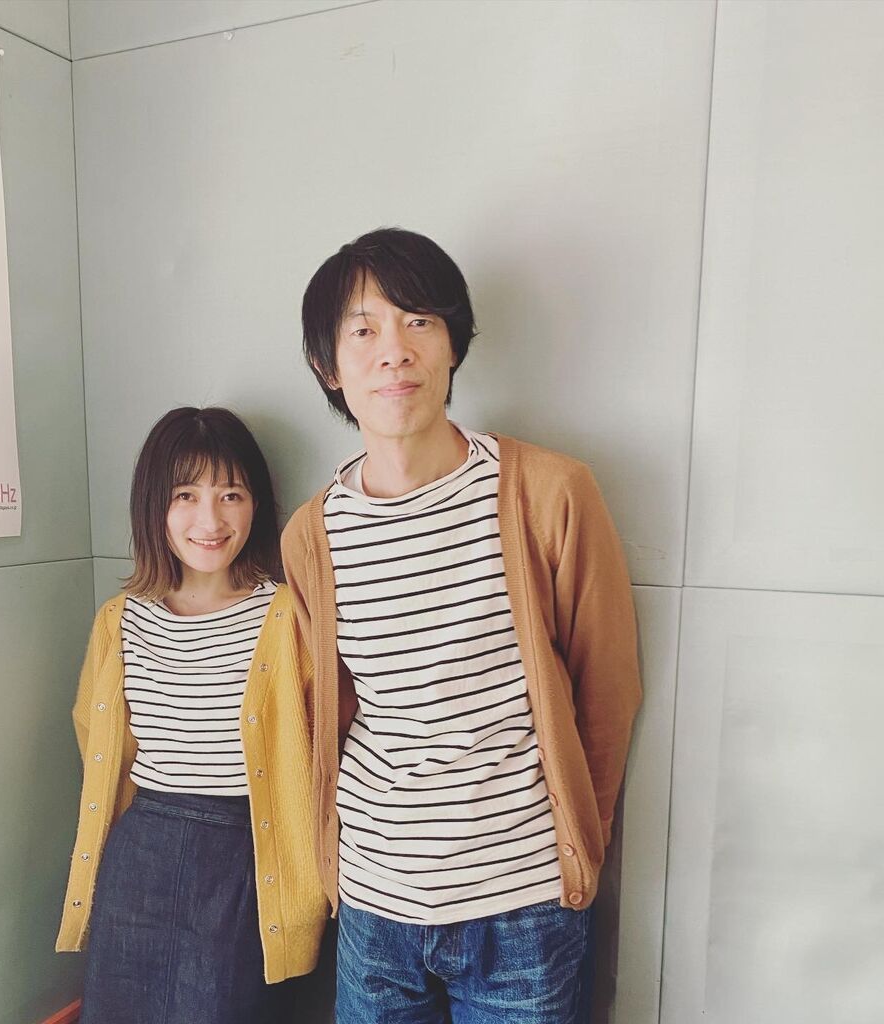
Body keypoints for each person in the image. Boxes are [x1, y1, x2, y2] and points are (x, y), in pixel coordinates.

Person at [282, 229, 642, 1024]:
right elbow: (330, 708)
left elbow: (607, 687)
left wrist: (580, 850)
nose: (395, 350)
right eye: (363, 329)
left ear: (453, 342)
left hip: (523, 906)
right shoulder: (313, 533)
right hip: (373, 907)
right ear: (327, 365)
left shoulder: (548, 493)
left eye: (419, 320)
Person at [57, 406, 327, 1024]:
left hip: (247, 858)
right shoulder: (120, 619)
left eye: (231, 494)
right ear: (154, 506)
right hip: (140, 853)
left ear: (256, 506)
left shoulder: (289, 617)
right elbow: (96, 739)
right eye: (186, 495)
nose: (210, 520)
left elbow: (322, 747)